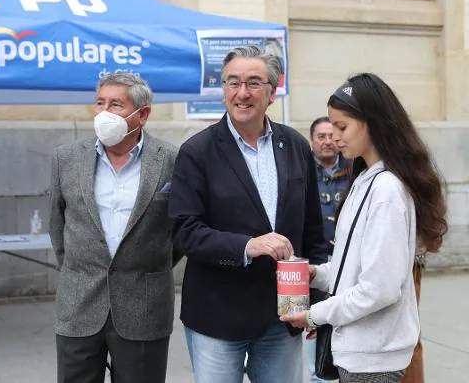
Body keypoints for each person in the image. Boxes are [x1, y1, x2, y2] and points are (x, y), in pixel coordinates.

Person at [168, 45, 327, 383]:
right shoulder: (197, 152)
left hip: (284, 315)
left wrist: (314, 304)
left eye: (254, 83)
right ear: (222, 90)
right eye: (232, 82)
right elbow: (184, 231)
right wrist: (247, 246)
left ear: (272, 92)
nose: (242, 93)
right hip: (217, 316)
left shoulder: (295, 145)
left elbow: (312, 229)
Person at [280, 73, 447, 383]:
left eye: (342, 126)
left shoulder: (386, 190)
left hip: (374, 355)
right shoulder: (365, 180)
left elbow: (378, 289)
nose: (335, 135)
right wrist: (318, 274)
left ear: (373, 122)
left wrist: (313, 316)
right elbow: (355, 268)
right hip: (361, 348)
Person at [49, 72, 179, 383]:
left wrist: (144, 264)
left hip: (144, 306)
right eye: (100, 103)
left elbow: (179, 233)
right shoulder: (66, 159)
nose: (105, 112)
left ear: (142, 114)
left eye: (116, 105)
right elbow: (58, 227)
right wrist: (80, 270)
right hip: (79, 305)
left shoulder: (173, 159)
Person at [305, 116, 351, 382]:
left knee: (345, 319)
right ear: (312, 141)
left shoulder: (354, 169)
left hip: (346, 258)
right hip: (316, 260)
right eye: (320, 137)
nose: (327, 141)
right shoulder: (303, 170)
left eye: (330, 135)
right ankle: (318, 376)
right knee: (316, 323)